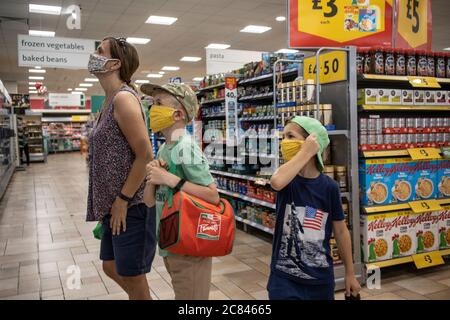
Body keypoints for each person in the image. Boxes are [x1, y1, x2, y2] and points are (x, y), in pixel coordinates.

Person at [85, 37, 155, 300]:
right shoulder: (108, 101)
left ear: (114, 63)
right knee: (111, 266)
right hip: (113, 206)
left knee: (133, 275)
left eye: (100, 51)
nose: (94, 54)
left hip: (131, 205)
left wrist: (123, 200)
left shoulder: (124, 99)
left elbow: (145, 154)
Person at [267, 116, 361, 300]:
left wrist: (350, 273)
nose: (284, 142)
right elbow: (276, 182)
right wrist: (304, 153)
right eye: (283, 137)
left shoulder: (329, 187)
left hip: (320, 282)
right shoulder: (287, 179)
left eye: (290, 136)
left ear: (311, 142)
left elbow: (341, 232)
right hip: (284, 280)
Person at [141, 83, 219, 300]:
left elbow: (213, 196)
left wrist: (169, 178)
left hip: (189, 245)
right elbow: (149, 202)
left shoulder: (186, 147)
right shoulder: (166, 147)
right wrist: (152, 178)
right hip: (170, 243)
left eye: (158, 104)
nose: (152, 110)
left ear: (177, 114)